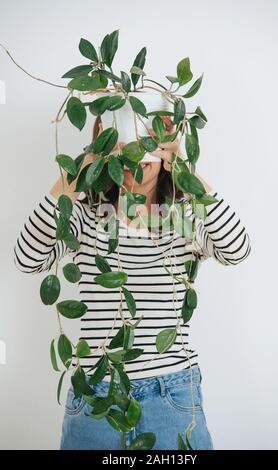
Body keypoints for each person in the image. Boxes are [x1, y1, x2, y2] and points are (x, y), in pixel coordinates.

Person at [13, 115, 251, 450]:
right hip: (96, 393)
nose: (134, 157)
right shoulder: (86, 216)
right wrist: (76, 172)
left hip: (173, 394)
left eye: (146, 142)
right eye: (120, 140)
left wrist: (185, 169)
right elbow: (27, 258)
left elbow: (237, 249)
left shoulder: (184, 218)